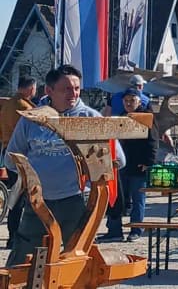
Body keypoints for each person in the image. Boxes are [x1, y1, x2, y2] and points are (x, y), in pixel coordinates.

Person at [4, 65, 125, 266]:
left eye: (77, 88)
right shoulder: (31, 120)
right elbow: (11, 159)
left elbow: (118, 160)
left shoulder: (91, 119)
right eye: (66, 89)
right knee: (23, 261)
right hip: (38, 201)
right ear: (49, 91)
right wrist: (30, 176)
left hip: (76, 202)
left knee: (76, 262)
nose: (73, 93)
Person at [99, 89, 156, 243]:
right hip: (121, 166)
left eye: (132, 100)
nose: (129, 103)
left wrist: (148, 163)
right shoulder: (121, 117)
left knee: (138, 200)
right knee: (116, 198)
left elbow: (153, 142)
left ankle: (136, 229)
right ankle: (114, 230)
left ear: (139, 101)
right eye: (126, 101)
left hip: (139, 165)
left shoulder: (146, 117)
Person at [0, 76, 37, 249]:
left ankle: (12, 235)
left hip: (8, 152)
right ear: (31, 89)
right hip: (23, 157)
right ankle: (17, 235)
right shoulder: (25, 108)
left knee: (15, 197)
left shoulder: (7, 104)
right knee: (22, 197)